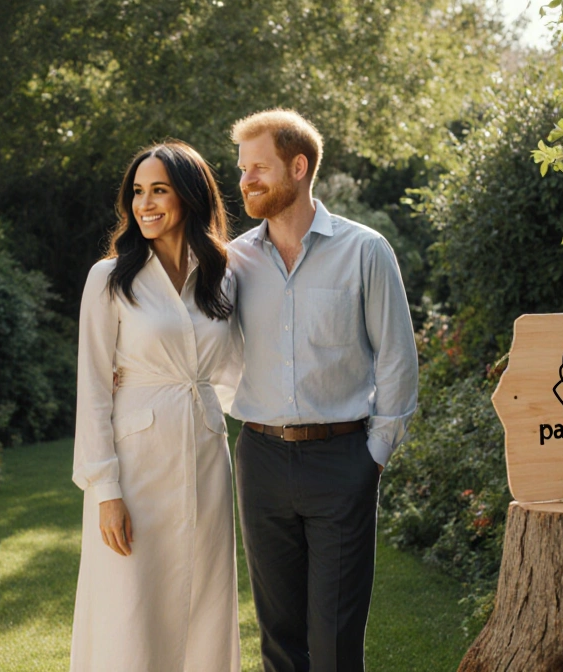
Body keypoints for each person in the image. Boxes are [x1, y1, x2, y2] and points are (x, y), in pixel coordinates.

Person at [226, 109, 420, 672]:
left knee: (335, 636)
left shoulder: (365, 251)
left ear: (298, 166)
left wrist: (373, 456)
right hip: (260, 458)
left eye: (258, 168)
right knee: (278, 636)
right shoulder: (233, 260)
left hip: (342, 459)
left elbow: (398, 359)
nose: (246, 181)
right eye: (242, 170)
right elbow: (201, 342)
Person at [70, 141, 241, 671]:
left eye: (159, 191)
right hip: (136, 466)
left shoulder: (223, 276)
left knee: (205, 601)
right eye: (138, 192)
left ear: (189, 197)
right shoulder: (110, 278)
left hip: (208, 458)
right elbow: (94, 388)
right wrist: (105, 491)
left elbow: (238, 370)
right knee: (129, 604)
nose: (145, 204)